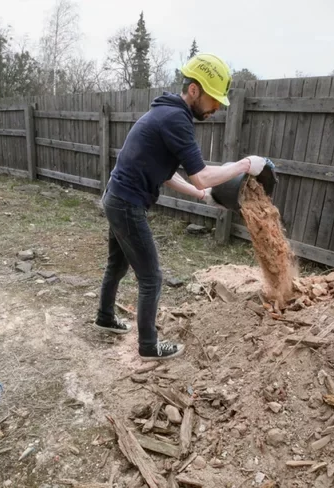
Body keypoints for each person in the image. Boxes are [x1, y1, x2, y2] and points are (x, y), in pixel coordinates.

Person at [94, 52, 266, 361]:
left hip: (115, 197)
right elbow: (201, 177)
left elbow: (168, 172)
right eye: (214, 99)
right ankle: (148, 346)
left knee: (117, 265)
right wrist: (243, 165)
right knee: (152, 277)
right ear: (195, 90)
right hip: (127, 203)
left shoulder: (166, 115)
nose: (216, 108)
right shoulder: (175, 119)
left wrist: (201, 196)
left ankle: (105, 317)